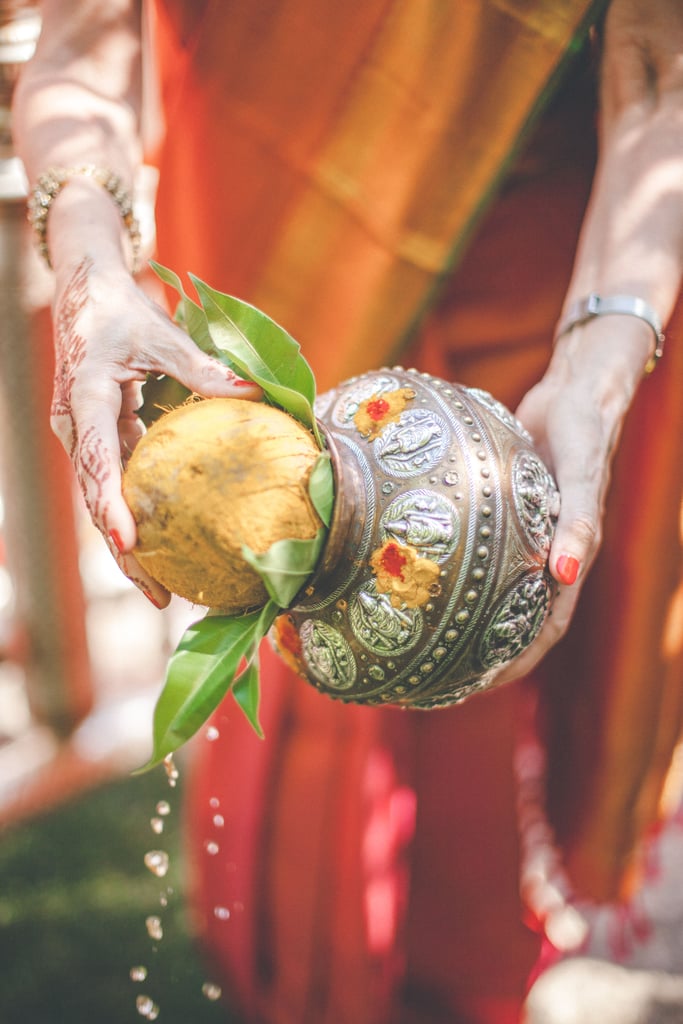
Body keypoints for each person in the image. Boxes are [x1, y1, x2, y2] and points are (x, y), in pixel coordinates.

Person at [11, 1, 683, 1021]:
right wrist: (91, 269)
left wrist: (596, 362)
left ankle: (472, 982)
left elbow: (659, 66)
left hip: (537, 246)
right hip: (271, 230)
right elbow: (82, 35)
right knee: (286, 674)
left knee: (483, 654)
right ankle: (301, 980)